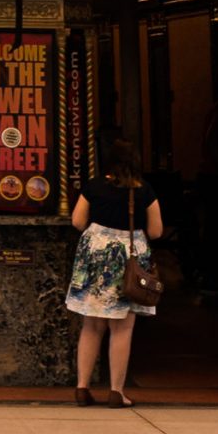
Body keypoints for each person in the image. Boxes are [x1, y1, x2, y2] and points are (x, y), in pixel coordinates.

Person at [66, 141, 162, 405]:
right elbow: (156, 231)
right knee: (122, 327)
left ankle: (82, 387)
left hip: (95, 259)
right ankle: (116, 392)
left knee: (92, 324)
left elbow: (76, 221)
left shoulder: (94, 187)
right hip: (128, 259)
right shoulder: (144, 191)